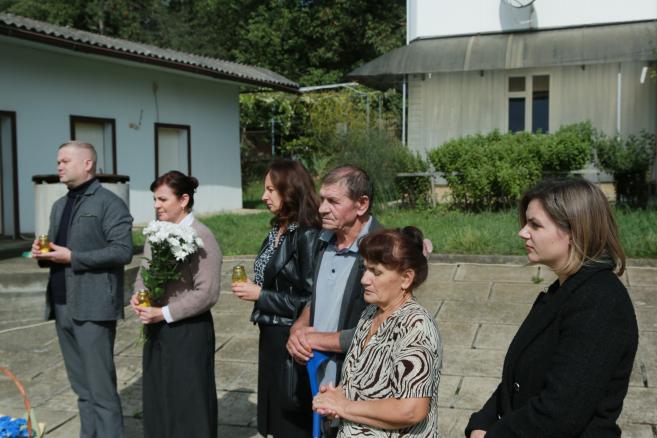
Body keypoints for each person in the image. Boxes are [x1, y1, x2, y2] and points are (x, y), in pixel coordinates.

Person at [465, 178, 639, 438]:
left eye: (535, 225)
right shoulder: (563, 291)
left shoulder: (601, 303)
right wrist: (482, 421)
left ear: (575, 232)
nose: (522, 232)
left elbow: (560, 414)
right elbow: (519, 379)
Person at [32, 140, 133, 438]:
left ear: (87, 164)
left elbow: (123, 251)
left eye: (65, 161)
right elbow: (57, 250)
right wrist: (43, 253)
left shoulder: (109, 203)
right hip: (61, 305)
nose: (59, 166)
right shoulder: (59, 205)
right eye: (58, 161)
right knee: (82, 389)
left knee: (101, 390)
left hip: (93, 307)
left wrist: (73, 257)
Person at [312, 227, 442, 437]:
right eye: (365, 269)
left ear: (406, 278)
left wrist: (344, 406)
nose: (364, 279)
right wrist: (335, 397)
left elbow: (411, 409)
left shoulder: (416, 327)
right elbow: (359, 381)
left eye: (376, 272)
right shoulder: (371, 313)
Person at [286, 165, 382, 433]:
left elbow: (384, 330)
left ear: (361, 204)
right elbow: (317, 298)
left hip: (359, 392)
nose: (322, 209)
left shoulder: (384, 251)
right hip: (318, 385)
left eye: (333, 201)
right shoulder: (322, 242)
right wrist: (298, 328)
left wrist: (317, 339)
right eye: (322, 199)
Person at [231, 159, 322, 437]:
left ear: (290, 190)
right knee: (275, 415)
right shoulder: (278, 229)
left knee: (291, 417)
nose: (263, 196)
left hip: (290, 335)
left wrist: (261, 295)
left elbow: (312, 300)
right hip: (270, 332)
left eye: (271, 190)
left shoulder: (306, 234)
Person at [130, 171, 222, 438]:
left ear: (183, 200)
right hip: (156, 327)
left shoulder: (202, 236)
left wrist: (164, 313)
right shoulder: (156, 232)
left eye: (162, 199)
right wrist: (140, 295)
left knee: (188, 402)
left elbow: (207, 292)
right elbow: (144, 274)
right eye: (155, 199)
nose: (156, 205)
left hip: (188, 331)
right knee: (158, 397)